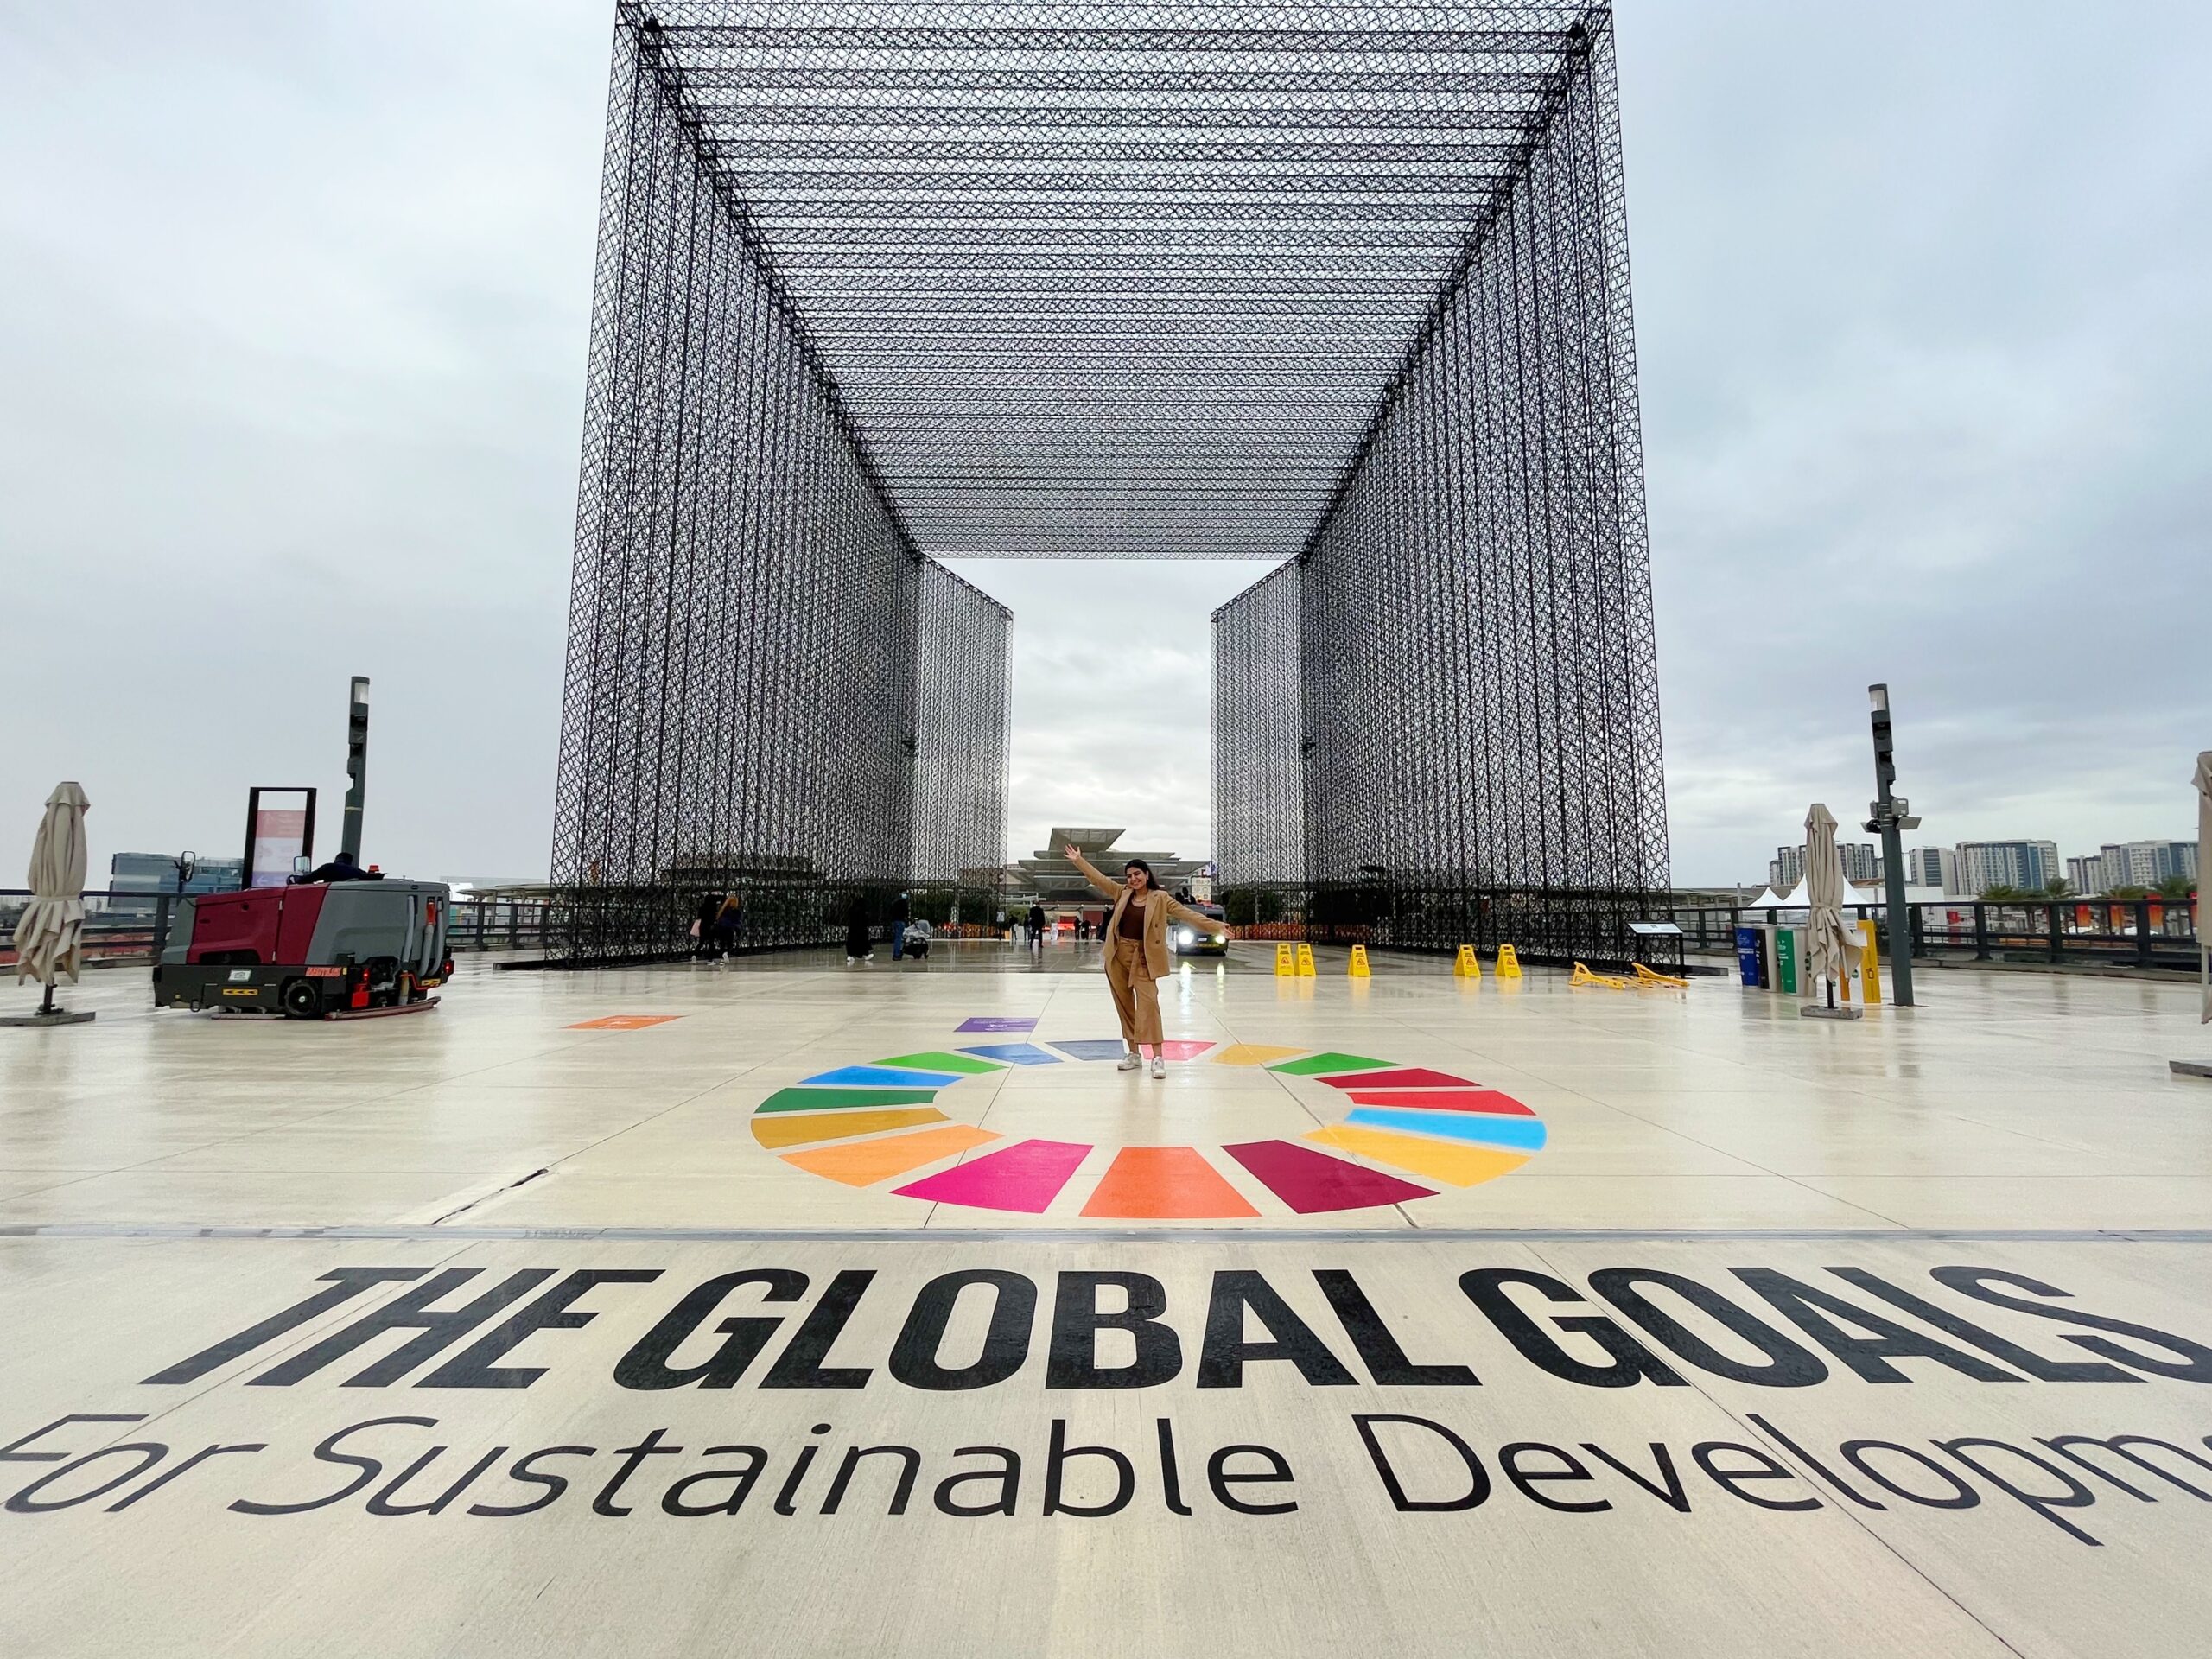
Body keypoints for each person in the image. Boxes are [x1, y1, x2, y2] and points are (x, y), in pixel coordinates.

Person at [1064, 842, 1218, 1078]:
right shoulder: (1122, 893)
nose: (1133, 879)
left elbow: (1187, 914)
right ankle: (1134, 1054)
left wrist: (1216, 926)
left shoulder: (1161, 898)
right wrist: (1078, 861)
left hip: (1144, 958)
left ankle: (1157, 1057)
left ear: (1146, 876)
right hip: (1117, 956)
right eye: (1129, 876)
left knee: (1149, 1005)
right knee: (1124, 1006)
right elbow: (1099, 879)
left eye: (1137, 874)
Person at [306, 850, 381, 884]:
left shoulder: (328, 867)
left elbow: (309, 878)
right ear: (350, 862)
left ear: (335, 860)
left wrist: (296, 879)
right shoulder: (358, 872)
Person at [712, 893, 742, 963]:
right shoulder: (736, 911)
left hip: (721, 928)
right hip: (729, 929)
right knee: (730, 943)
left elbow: (718, 918)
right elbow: (737, 921)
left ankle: (722, 957)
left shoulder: (723, 910)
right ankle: (726, 953)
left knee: (722, 943)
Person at [844, 894, 873, 963]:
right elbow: (865, 920)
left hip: (852, 929)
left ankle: (850, 956)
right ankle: (865, 954)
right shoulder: (862, 910)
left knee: (852, 942)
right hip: (861, 929)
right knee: (863, 942)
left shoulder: (852, 909)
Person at [887, 891, 911, 959]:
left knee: (896, 938)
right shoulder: (903, 903)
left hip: (894, 921)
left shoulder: (894, 903)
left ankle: (896, 953)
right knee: (899, 938)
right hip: (900, 921)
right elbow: (906, 913)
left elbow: (890, 912)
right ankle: (897, 954)